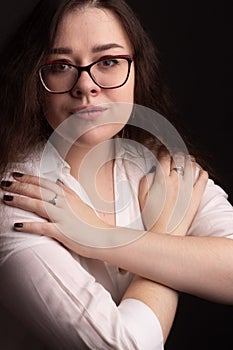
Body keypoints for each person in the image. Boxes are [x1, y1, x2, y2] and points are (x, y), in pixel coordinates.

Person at [0, 0, 232, 349]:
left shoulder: (159, 167)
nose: (86, 86)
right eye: (60, 66)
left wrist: (99, 237)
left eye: (108, 62)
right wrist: (167, 230)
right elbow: (126, 345)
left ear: (137, 69)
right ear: (35, 80)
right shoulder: (17, 201)